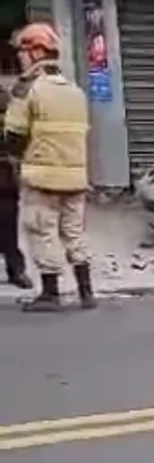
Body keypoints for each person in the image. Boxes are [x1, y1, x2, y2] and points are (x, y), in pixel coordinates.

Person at [4, 22, 95, 311]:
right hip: (76, 177)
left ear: (37, 52)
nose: (20, 57)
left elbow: (15, 137)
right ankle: (86, 292)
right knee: (74, 233)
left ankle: (51, 293)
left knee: (42, 230)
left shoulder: (27, 89)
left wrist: (17, 156)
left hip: (42, 176)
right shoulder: (74, 90)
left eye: (23, 51)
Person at [0, 85, 32, 289]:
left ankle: (16, 270)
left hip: (5, 181)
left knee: (8, 229)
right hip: (6, 181)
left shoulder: (11, 118)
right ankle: (16, 271)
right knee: (8, 229)